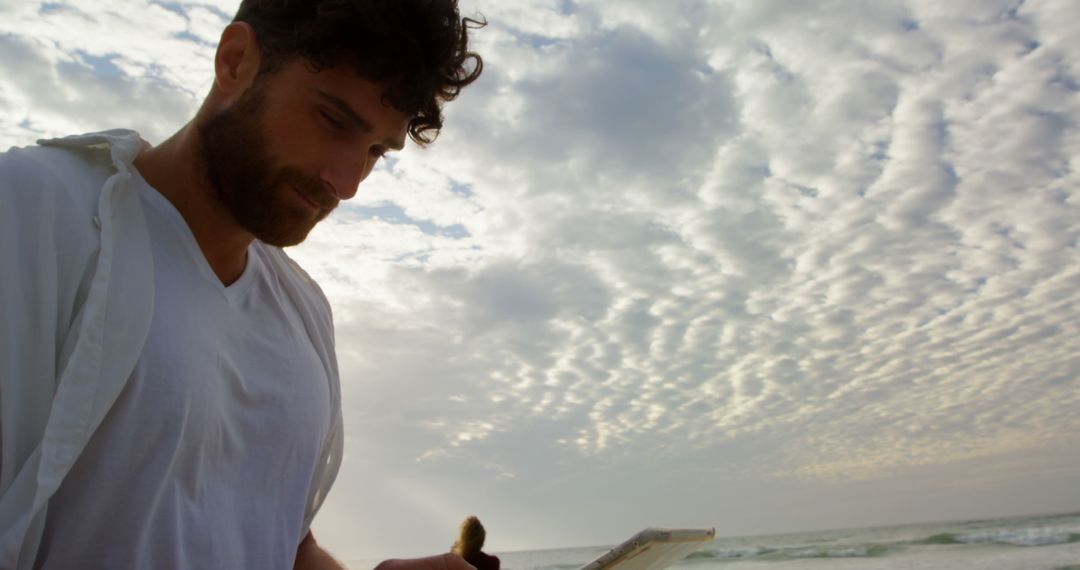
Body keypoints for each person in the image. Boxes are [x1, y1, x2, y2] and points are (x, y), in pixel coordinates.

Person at [0, 1, 483, 569]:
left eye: (376, 150)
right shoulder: (36, 212)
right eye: (333, 120)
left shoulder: (302, 313)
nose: (347, 182)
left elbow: (281, 540)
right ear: (235, 62)